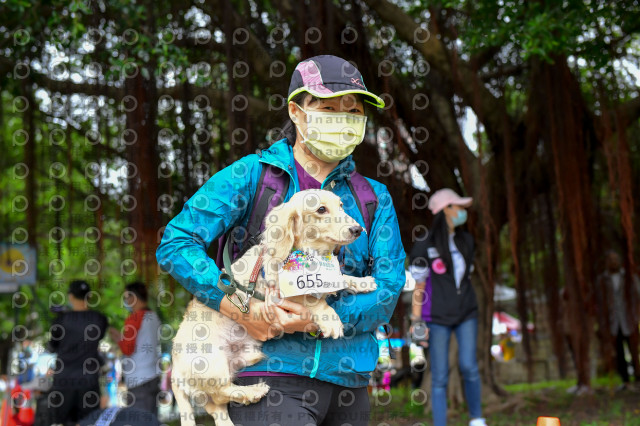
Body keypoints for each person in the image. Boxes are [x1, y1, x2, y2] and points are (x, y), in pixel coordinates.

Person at [156, 54, 405, 425]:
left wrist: (316, 318)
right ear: (296, 111)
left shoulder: (373, 197)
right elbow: (175, 243)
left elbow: (387, 287)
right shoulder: (250, 177)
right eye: (328, 107)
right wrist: (239, 308)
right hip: (270, 377)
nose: (343, 119)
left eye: (353, 112)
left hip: (350, 382)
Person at [409, 188, 486, 426]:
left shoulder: (467, 240)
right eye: (458, 207)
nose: (462, 212)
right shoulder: (424, 246)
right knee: (440, 375)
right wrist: (416, 322)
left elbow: (466, 278)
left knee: (468, 366)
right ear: (445, 211)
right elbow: (419, 287)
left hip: (466, 312)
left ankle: (477, 419)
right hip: (437, 317)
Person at [45, 280, 108, 425]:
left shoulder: (61, 320)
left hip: (64, 380)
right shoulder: (99, 319)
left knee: (64, 421)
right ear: (89, 296)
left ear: (71, 296)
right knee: (88, 421)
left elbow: (52, 346)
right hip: (89, 380)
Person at [108, 282, 161, 415]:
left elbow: (127, 349)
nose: (126, 301)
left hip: (139, 379)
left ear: (133, 298)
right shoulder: (154, 317)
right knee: (152, 419)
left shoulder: (134, 318)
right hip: (154, 375)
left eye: (127, 297)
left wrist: (119, 339)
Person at [595, 250, 640, 390]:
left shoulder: (629, 277)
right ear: (606, 262)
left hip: (629, 320)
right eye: (610, 259)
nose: (613, 262)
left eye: (615, 259)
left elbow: (637, 296)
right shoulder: (602, 280)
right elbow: (600, 304)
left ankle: (638, 378)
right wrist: (602, 324)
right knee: (618, 352)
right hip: (613, 322)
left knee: (634, 349)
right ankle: (625, 381)